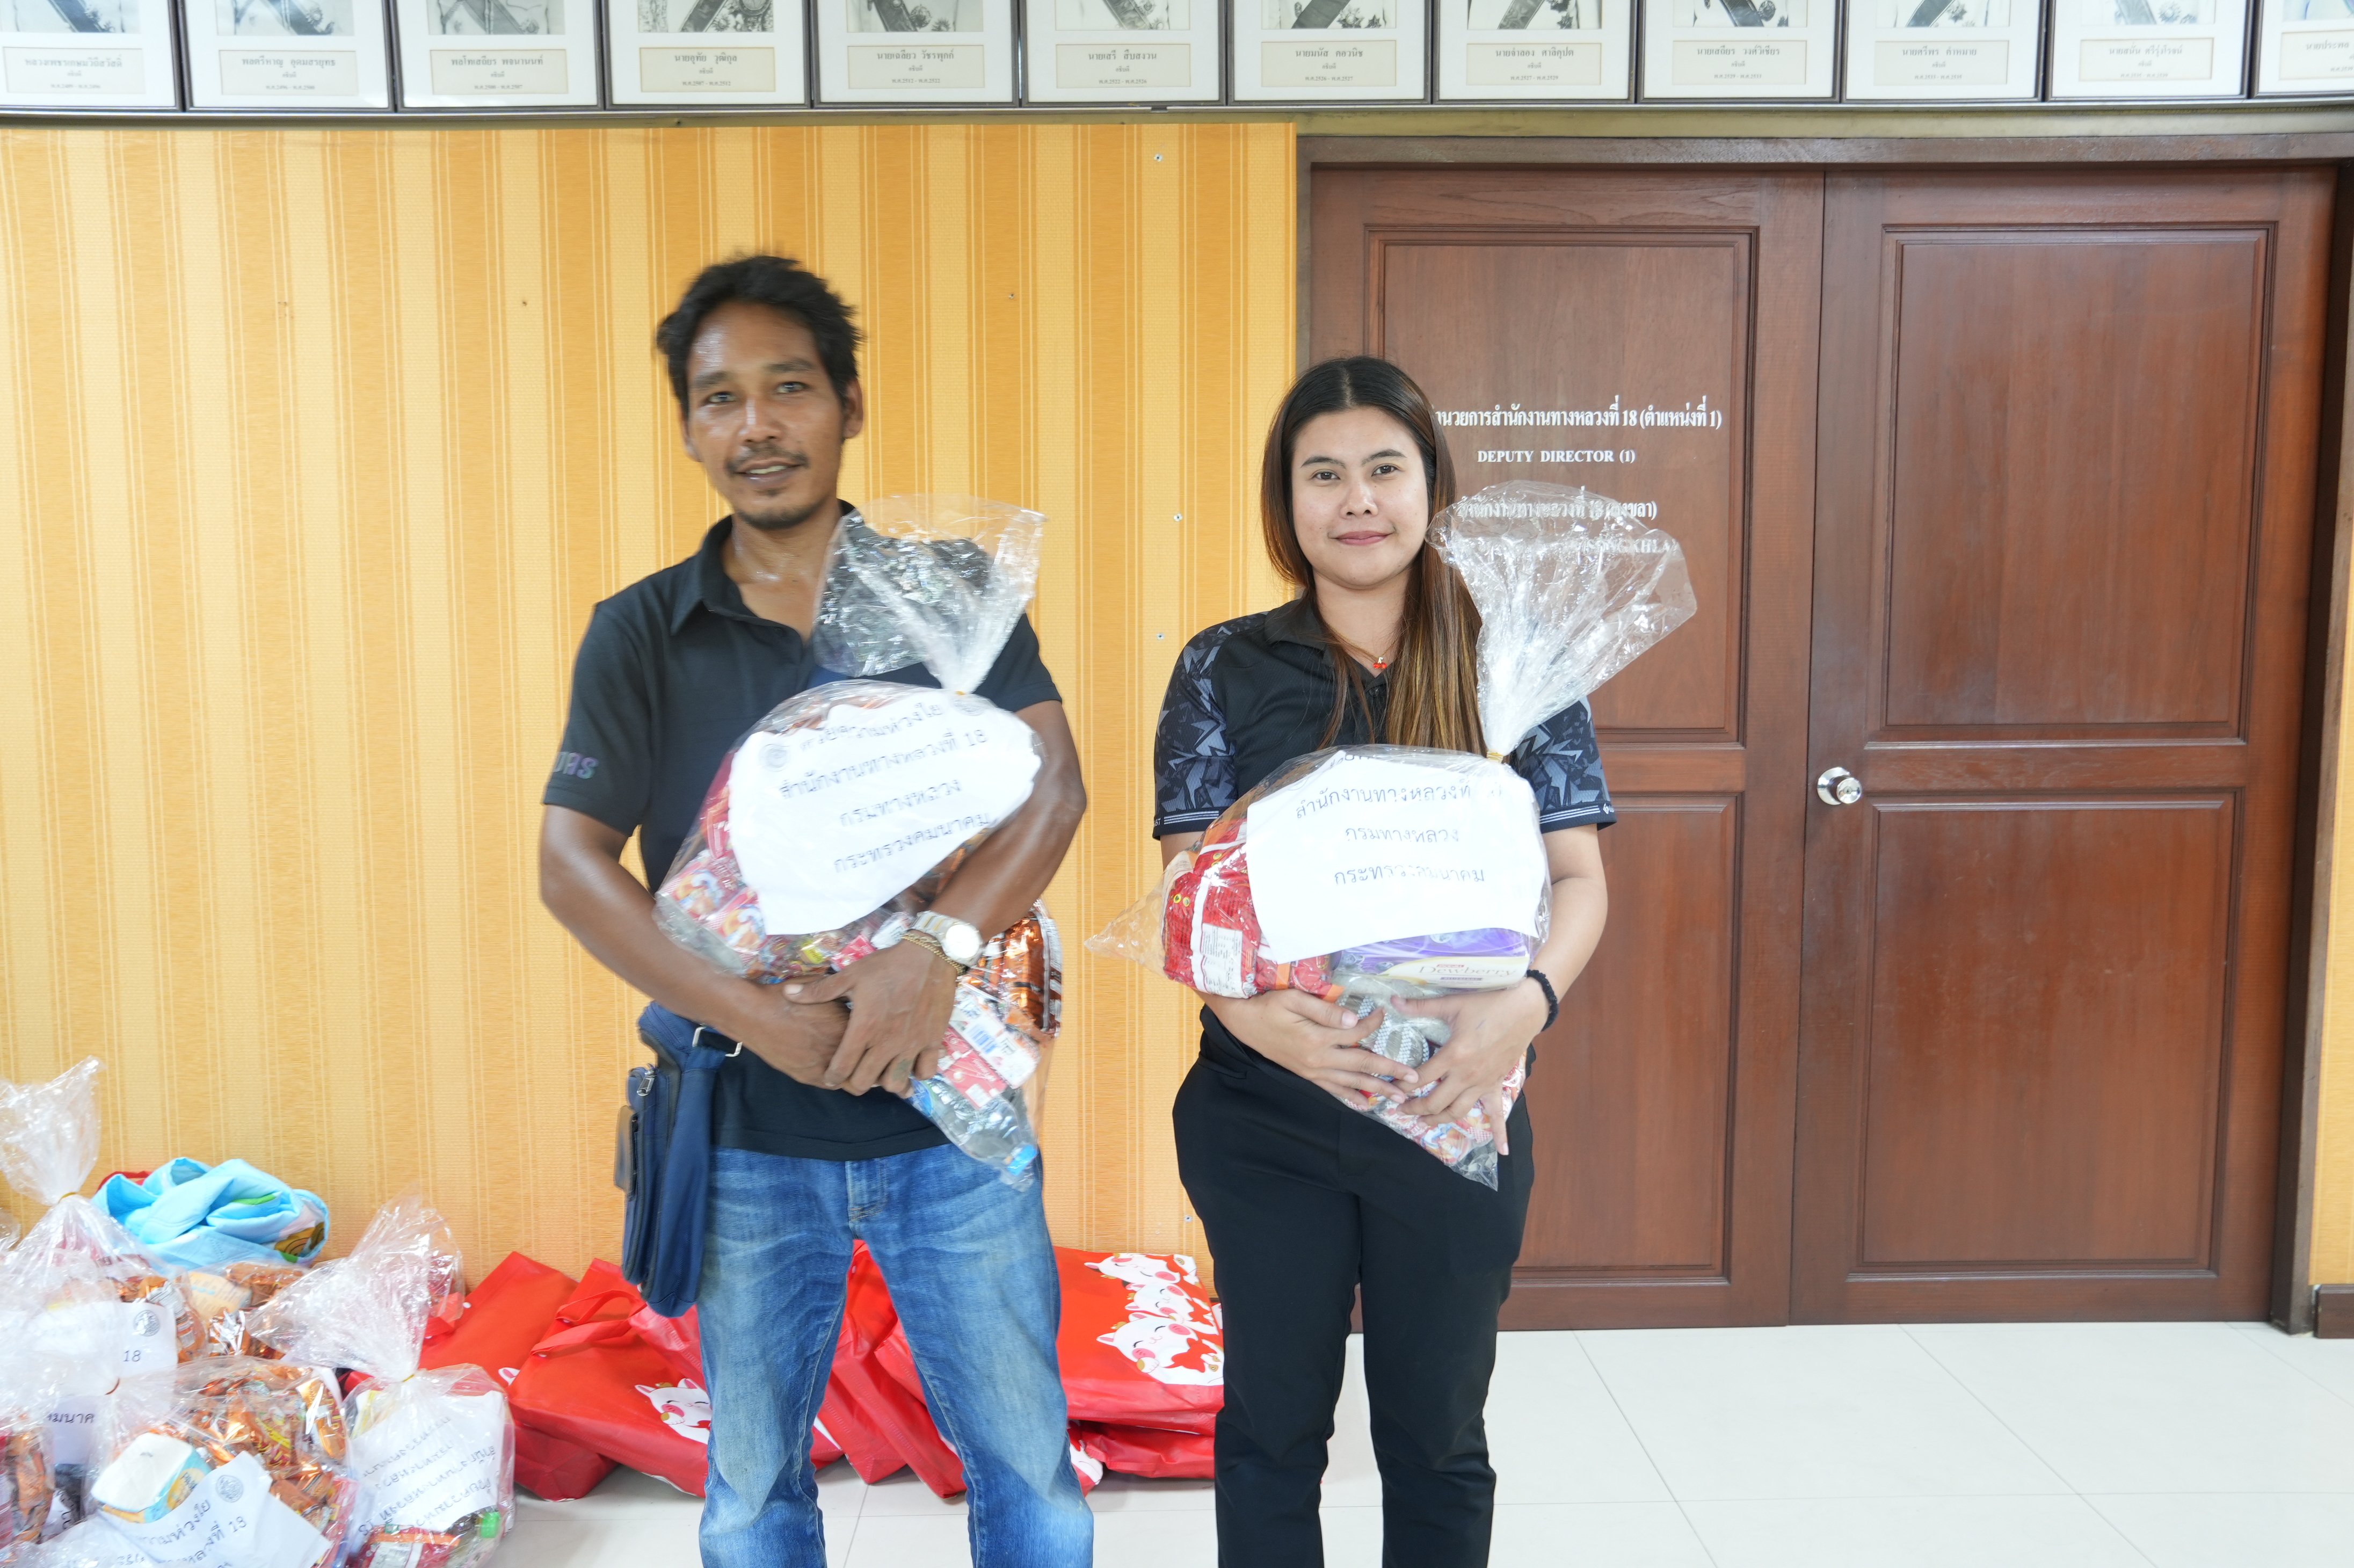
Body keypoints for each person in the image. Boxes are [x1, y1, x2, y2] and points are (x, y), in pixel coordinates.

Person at [539, 255, 1093, 1568]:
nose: (757, 425)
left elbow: (1053, 786)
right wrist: (756, 1020)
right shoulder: (641, 630)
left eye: (788, 387)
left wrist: (933, 952)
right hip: (741, 1128)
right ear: (689, 429)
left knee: (1028, 1473)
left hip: (951, 1113)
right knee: (751, 1495)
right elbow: (570, 862)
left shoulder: (945, 589)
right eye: (719, 398)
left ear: (848, 404)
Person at [1152, 356, 1611, 1567]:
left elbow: (1578, 880)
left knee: (1437, 1436)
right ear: (1286, 500)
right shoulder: (1222, 666)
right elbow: (1187, 891)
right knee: (1269, 1431)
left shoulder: (1514, 659)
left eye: (1383, 469)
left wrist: (1528, 1001)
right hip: (1267, 1114)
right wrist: (1251, 1018)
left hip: (1455, 1104)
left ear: (1430, 487)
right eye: (1323, 474)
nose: (1356, 499)